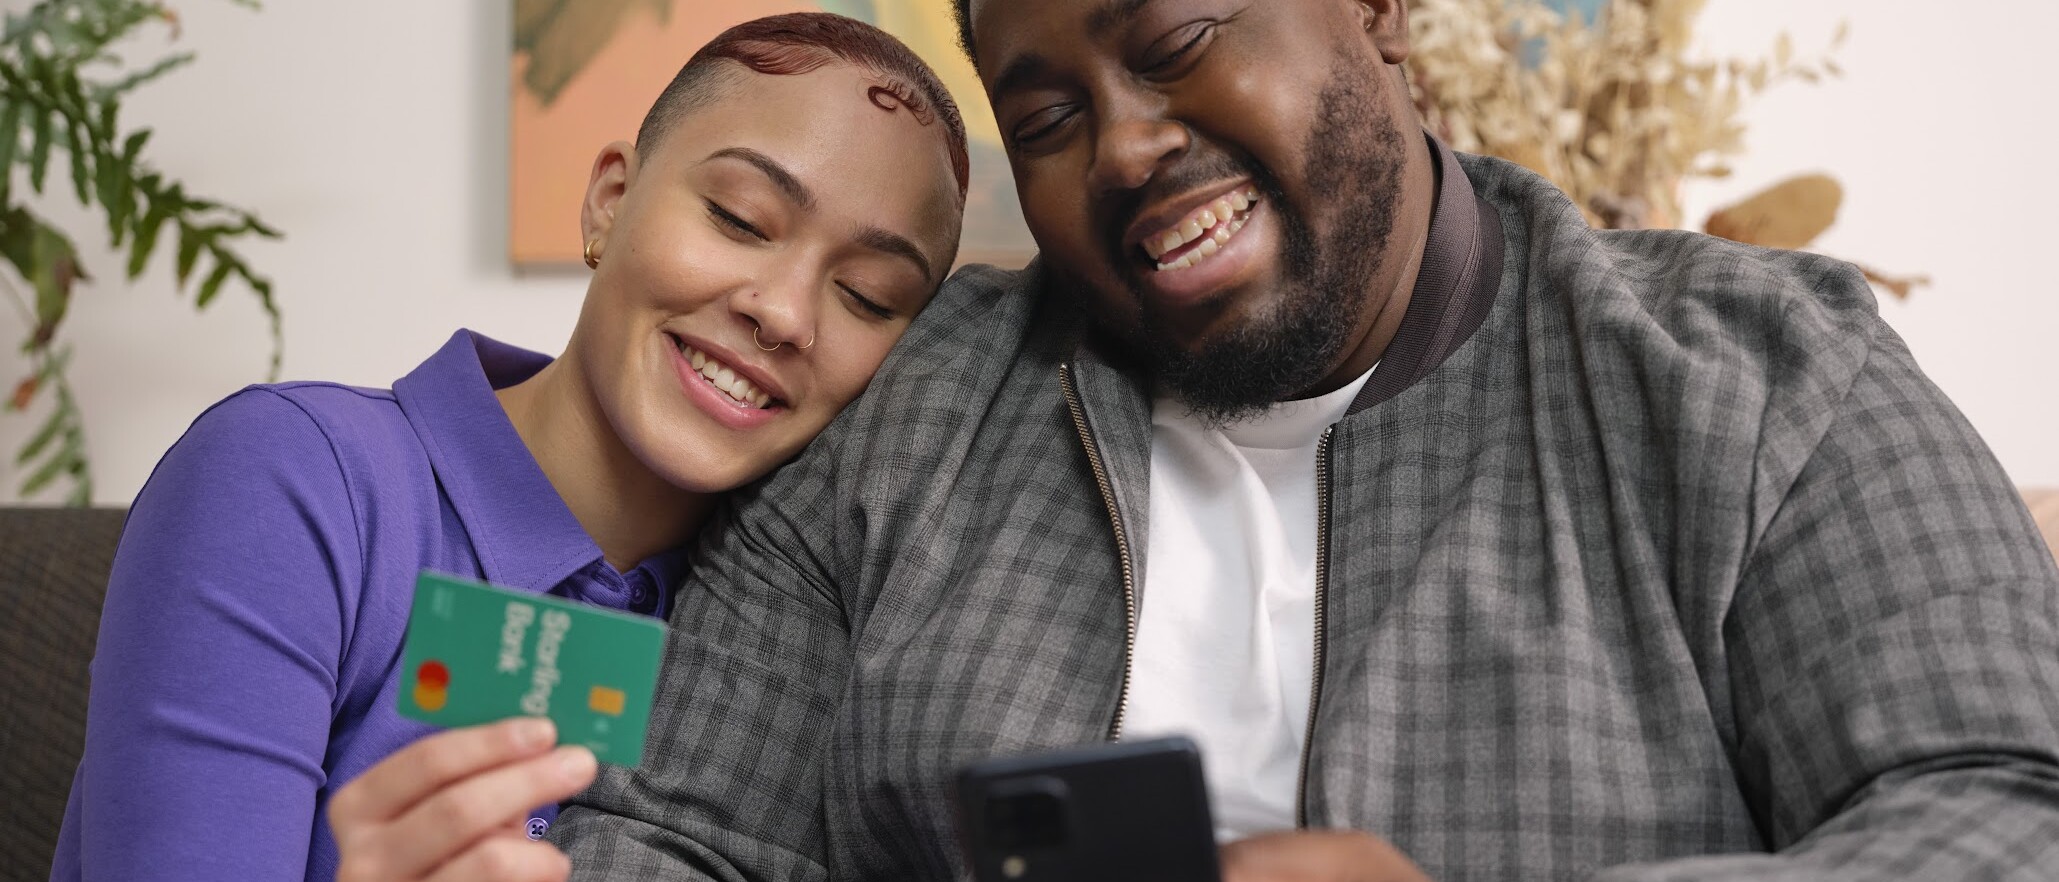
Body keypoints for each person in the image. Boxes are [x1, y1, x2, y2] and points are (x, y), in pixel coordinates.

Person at [395, 0, 2059, 879]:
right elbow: (683, 831)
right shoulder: (902, 409)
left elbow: (2005, 809)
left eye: (1177, 39)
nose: (1121, 148)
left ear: (1376, 14)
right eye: (1039, 116)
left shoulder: (1762, 374)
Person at [48, 13, 969, 882]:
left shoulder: (803, 629)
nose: (783, 312)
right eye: (737, 217)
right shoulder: (293, 478)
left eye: (868, 296)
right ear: (610, 199)